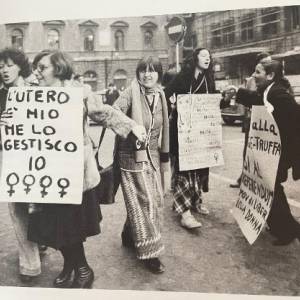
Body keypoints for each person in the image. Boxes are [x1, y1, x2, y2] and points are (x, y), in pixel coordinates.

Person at [23, 50, 146, 288]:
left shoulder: (80, 92)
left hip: (75, 173)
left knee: (71, 225)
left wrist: (131, 126)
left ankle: (83, 269)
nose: (37, 72)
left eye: (42, 67)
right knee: (55, 224)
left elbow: (104, 113)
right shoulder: (34, 95)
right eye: (36, 68)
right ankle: (70, 266)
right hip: (47, 173)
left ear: (58, 69)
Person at [113, 56, 169, 274]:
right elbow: (113, 112)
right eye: (143, 70)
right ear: (137, 74)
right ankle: (150, 252)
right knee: (147, 201)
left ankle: (129, 233)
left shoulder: (161, 94)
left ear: (158, 74)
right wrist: (132, 125)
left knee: (147, 199)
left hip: (152, 154)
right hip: (130, 156)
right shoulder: (130, 92)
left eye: (152, 70)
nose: (147, 74)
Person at [236, 59, 300, 246]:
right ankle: (282, 227)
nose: (254, 76)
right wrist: (238, 92)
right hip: (274, 152)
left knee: (271, 188)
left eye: (258, 72)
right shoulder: (269, 91)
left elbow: (295, 115)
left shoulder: (278, 93)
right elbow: (257, 100)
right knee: (268, 187)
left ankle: (289, 230)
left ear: (270, 75)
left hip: (281, 152)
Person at [164, 48, 229, 230]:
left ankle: (196, 201)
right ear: (195, 59)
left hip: (203, 130)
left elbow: (212, 102)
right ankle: (184, 212)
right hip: (184, 129)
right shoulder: (183, 76)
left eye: (209, 57)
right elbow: (167, 92)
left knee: (200, 166)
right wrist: (173, 106)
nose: (207, 59)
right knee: (185, 168)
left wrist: (224, 100)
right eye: (203, 56)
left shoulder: (209, 78)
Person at [0, 47, 42, 283]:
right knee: (17, 211)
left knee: (38, 208)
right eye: (1, 66)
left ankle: (40, 241)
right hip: (11, 163)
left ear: (20, 66)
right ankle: (30, 264)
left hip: (38, 162)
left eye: (9, 65)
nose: (4, 70)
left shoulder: (36, 91)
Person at [229, 52, 272, 188]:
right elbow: (248, 100)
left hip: (267, 124)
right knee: (248, 151)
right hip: (253, 120)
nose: (268, 65)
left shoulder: (274, 82)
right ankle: (244, 177)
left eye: (270, 62)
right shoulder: (251, 80)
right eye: (265, 62)